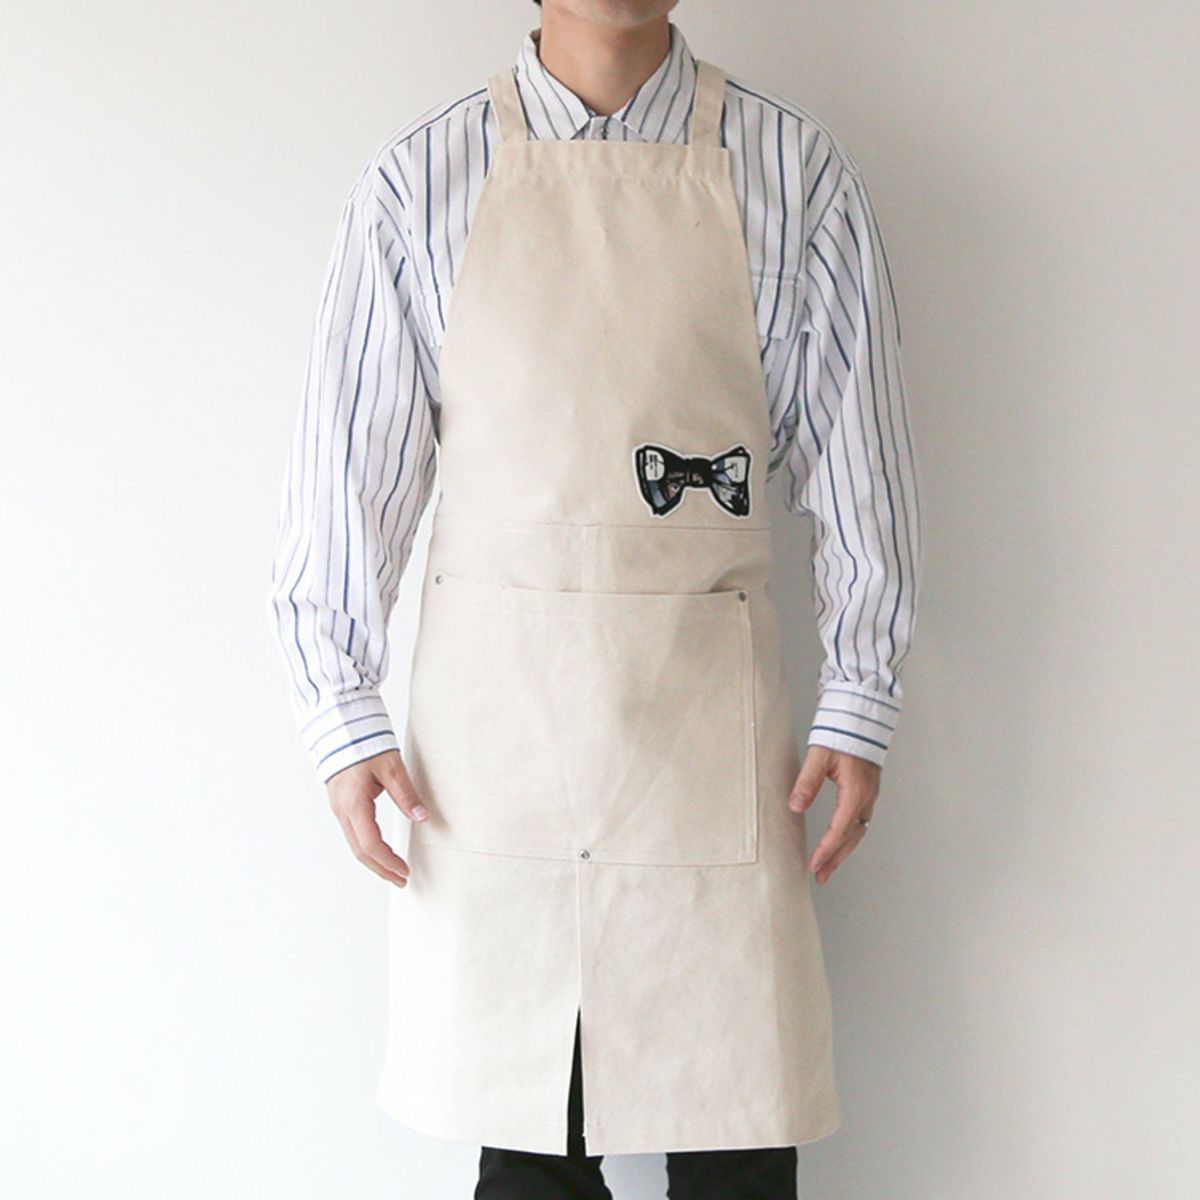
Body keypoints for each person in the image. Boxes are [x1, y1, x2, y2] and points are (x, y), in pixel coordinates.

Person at [268, 2, 923, 1196]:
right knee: (530, 1155)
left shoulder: (795, 174)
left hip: (708, 747)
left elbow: (858, 460)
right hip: (501, 755)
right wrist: (341, 711)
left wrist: (860, 694)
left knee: (736, 1148)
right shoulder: (421, 181)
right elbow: (347, 476)